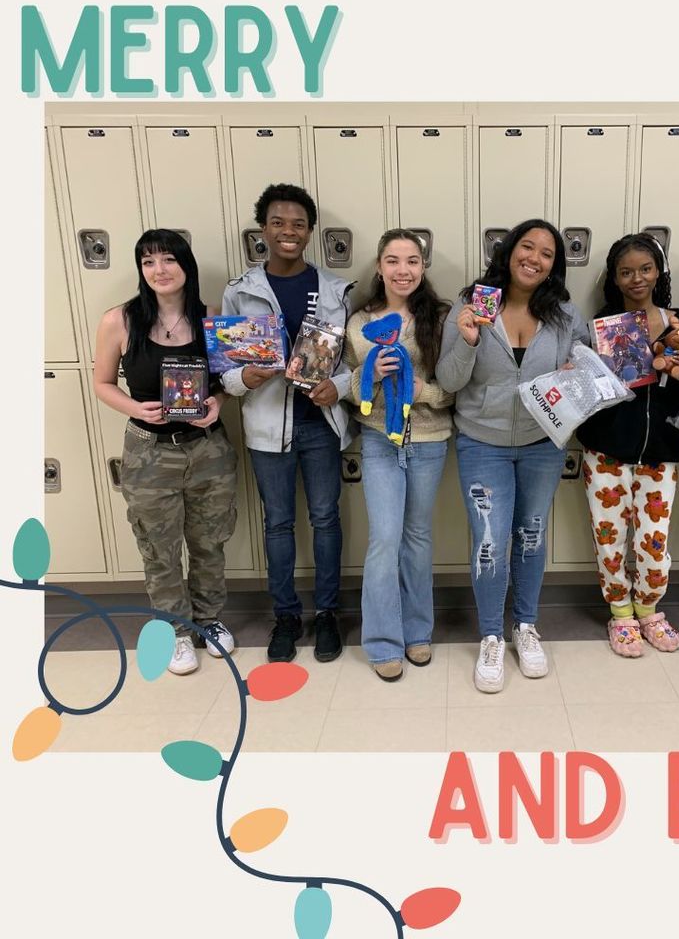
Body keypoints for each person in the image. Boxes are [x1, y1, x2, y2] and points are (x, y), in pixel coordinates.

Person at [436, 218, 589, 693]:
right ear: (508, 252)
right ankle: (489, 635)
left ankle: (525, 626)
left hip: (542, 444)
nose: (535, 258)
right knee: (488, 541)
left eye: (546, 253)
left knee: (531, 536)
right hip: (482, 443)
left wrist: (573, 372)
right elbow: (449, 381)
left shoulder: (564, 315)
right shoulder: (473, 305)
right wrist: (467, 340)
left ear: (553, 266)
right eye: (527, 247)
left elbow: (587, 376)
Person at [220, 183, 355, 664]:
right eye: (278, 222)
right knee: (277, 524)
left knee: (325, 521)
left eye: (298, 224)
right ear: (263, 229)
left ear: (310, 231)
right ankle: (285, 617)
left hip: (321, 424)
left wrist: (336, 387)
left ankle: (327, 616)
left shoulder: (337, 290)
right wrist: (244, 377)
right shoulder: (241, 291)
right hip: (265, 428)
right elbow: (225, 365)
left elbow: (350, 359)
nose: (288, 232)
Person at [93, 229, 237, 676]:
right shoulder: (119, 320)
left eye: (168, 260)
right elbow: (101, 384)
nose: (159, 270)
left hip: (207, 448)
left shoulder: (211, 317)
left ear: (185, 265)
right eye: (149, 262)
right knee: (158, 546)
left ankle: (210, 619)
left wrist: (217, 404)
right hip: (149, 451)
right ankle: (175, 630)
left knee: (210, 541)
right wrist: (136, 407)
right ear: (141, 270)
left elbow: (226, 384)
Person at [576, 233, 679, 657]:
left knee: (654, 539)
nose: (636, 278)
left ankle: (648, 609)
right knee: (609, 536)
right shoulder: (602, 328)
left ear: (658, 272)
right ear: (614, 277)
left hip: (660, 454)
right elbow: (586, 395)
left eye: (645, 269)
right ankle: (621, 613)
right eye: (626, 271)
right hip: (607, 452)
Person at [343, 230, 453, 682]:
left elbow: (456, 386)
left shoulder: (442, 319)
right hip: (378, 442)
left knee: (418, 538)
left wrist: (422, 391)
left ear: (423, 267)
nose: (402, 270)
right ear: (379, 267)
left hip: (429, 441)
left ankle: (417, 632)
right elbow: (350, 384)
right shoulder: (359, 323)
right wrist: (368, 379)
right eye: (393, 260)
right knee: (384, 540)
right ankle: (383, 641)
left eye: (411, 261)